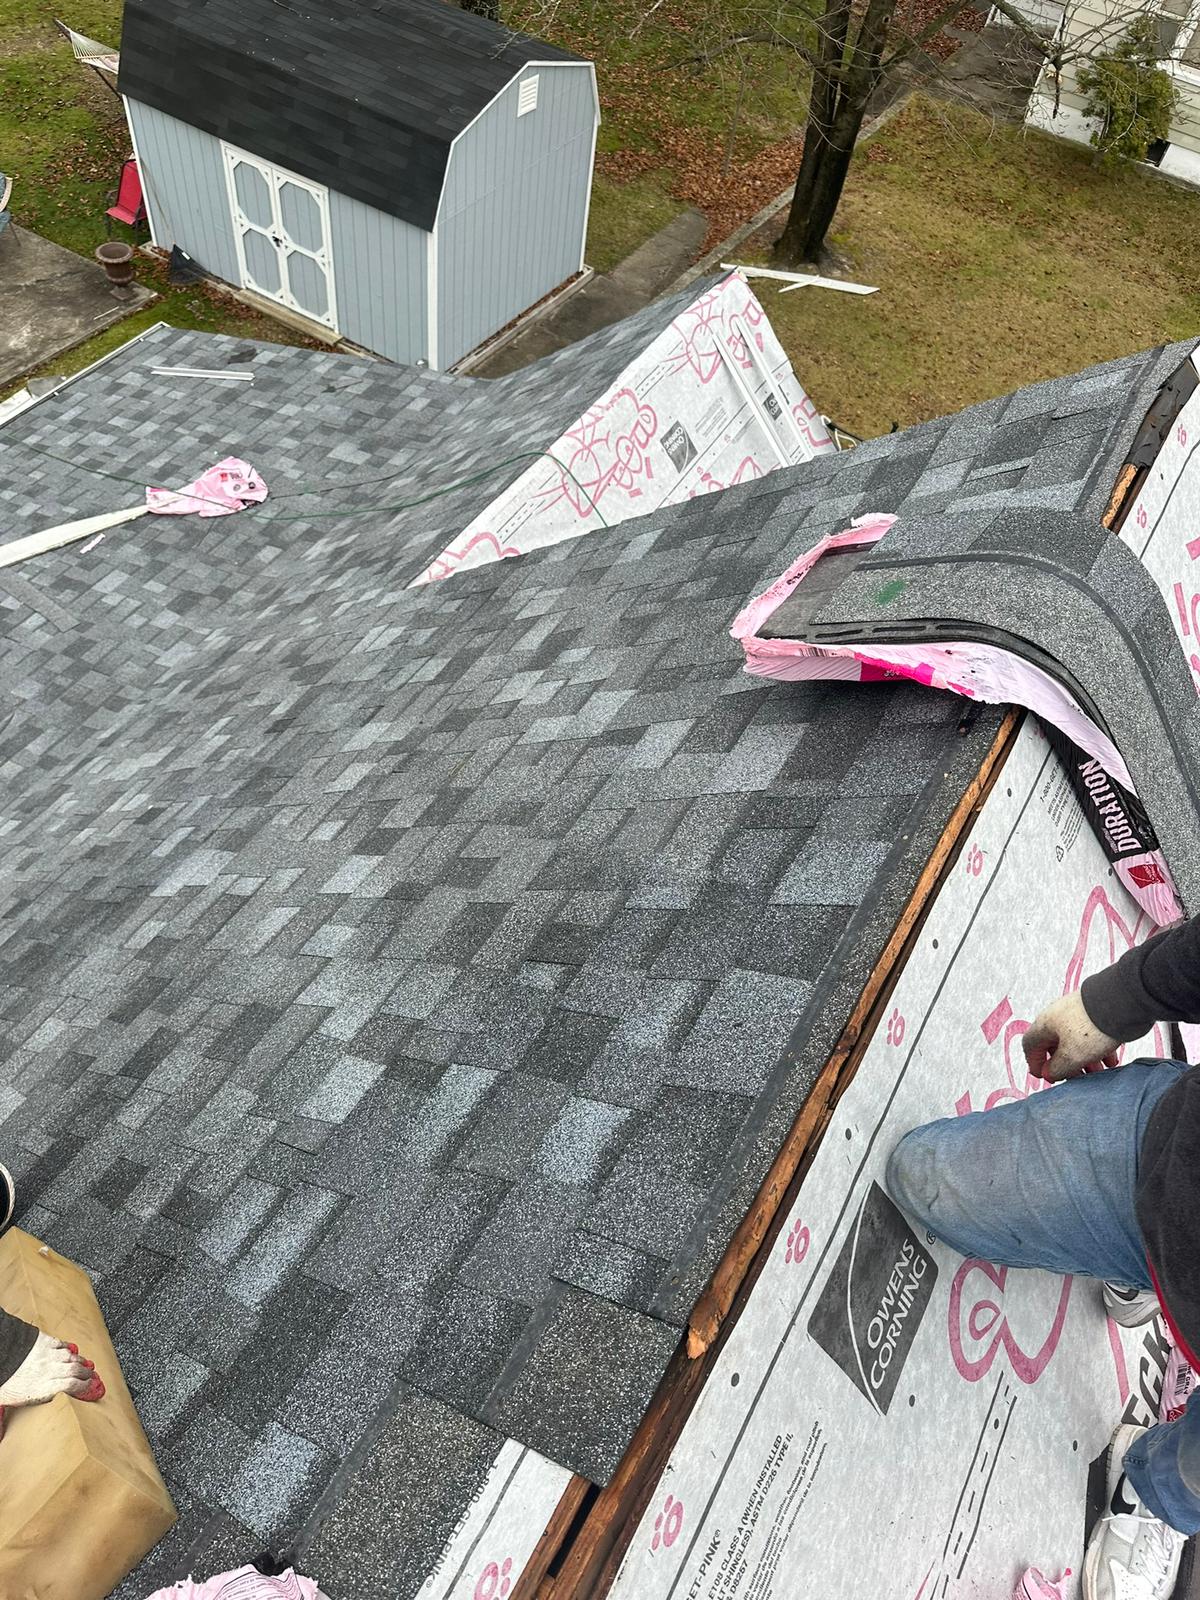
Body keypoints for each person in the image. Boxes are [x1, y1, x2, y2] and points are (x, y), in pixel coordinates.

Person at [886, 915, 1200, 1600]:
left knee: (1193, 1473)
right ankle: (1153, 1266)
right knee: (925, 1177)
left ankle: (1159, 1497)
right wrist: (1111, 1005)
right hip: (1172, 1166)